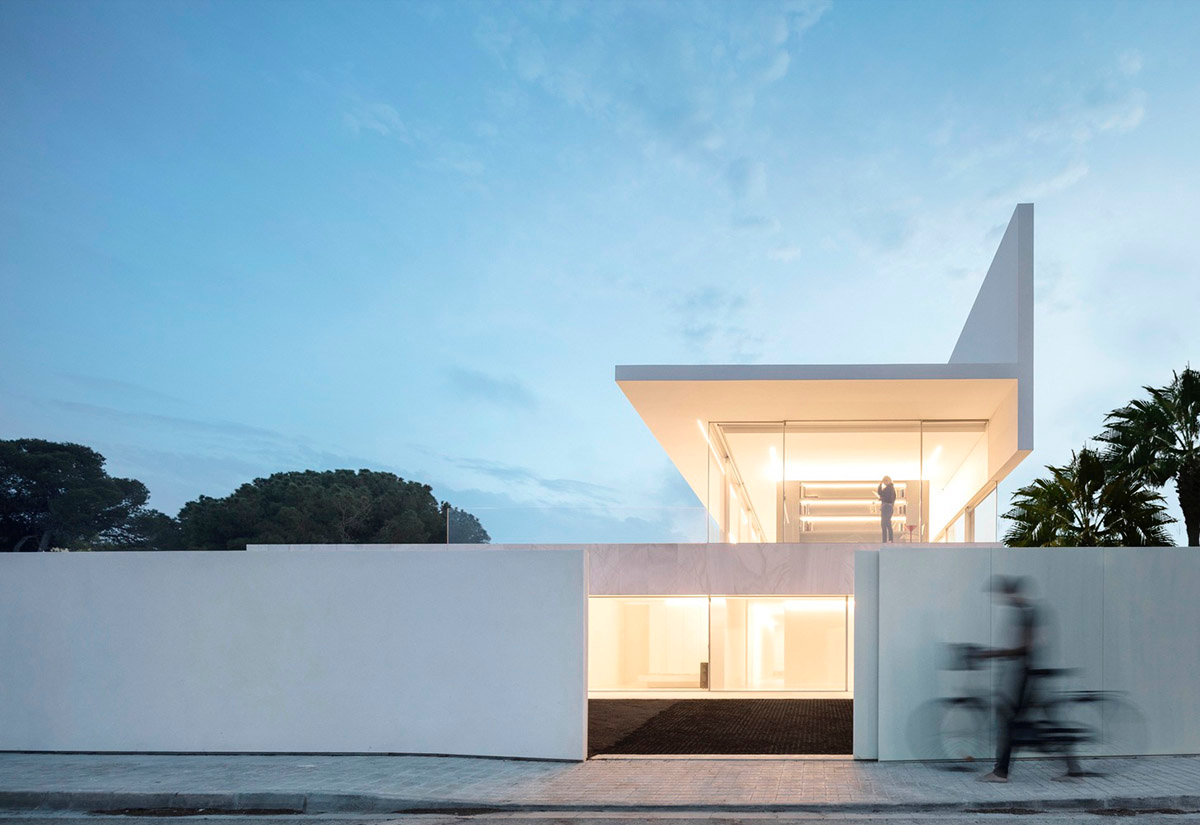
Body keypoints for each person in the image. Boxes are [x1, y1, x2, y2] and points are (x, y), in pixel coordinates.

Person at [977, 576, 1081, 783]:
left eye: (1002, 594)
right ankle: (1074, 770)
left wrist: (994, 654)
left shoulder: (1028, 612)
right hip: (1031, 676)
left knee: (1010, 722)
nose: (1000, 599)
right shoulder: (1027, 611)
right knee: (1042, 722)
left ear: (1012, 593)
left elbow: (1025, 648)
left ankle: (1001, 772)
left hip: (1029, 678)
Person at [877, 476, 896, 542]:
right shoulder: (892, 488)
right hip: (889, 508)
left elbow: (880, 493)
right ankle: (890, 539)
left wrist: (880, 485)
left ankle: (885, 540)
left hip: (886, 508)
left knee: (884, 524)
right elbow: (892, 498)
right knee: (887, 523)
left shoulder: (889, 488)